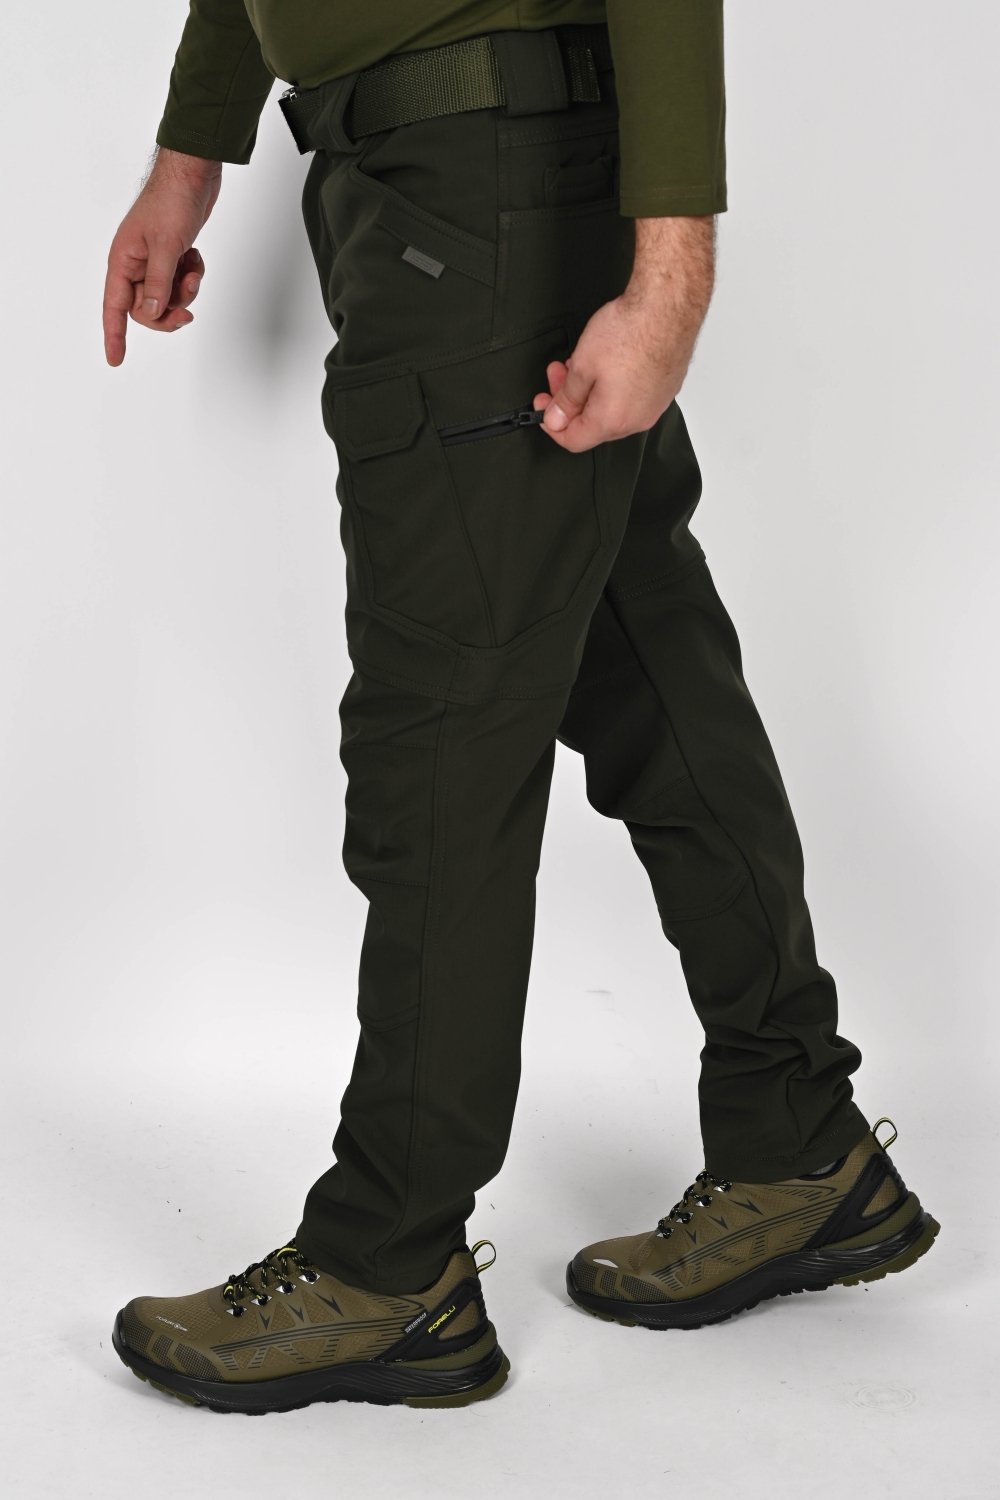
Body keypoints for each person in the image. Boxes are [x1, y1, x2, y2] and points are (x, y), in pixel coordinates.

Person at [103, 1, 939, 1416]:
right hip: (458, 183)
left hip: (473, 190)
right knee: (648, 673)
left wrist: (671, 273)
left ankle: (388, 1263)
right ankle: (798, 1139)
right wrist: (191, 158)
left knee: (438, 732)